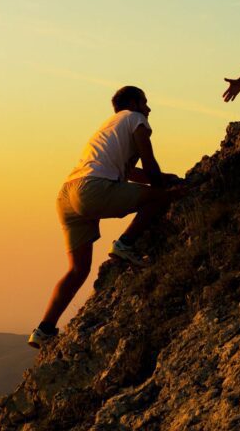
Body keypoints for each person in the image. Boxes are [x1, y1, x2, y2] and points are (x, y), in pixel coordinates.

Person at [28, 86, 182, 349]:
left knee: (77, 270)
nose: (149, 108)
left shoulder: (109, 127)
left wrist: (162, 178)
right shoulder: (136, 119)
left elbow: (130, 173)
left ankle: (44, 330)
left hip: (67, 195)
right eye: (145, 102)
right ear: (133, 103)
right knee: (160, 198)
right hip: (92, 190)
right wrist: (165, 187)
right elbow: (148, 163)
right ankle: (125, 244)